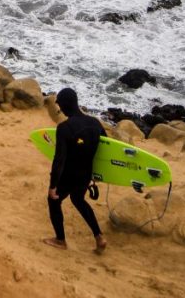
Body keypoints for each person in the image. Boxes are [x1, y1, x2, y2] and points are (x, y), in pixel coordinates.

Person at [43, 87, 107, 253]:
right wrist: (98, 174)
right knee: (78, 199)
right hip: (86, 174)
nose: (60, 109)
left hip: (69, 174)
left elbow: (59, 160)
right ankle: (99, 237)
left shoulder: (64, 128)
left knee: (53, 200)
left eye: (60, 106)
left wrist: (53, 186)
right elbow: (106, 148)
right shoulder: (95, 123)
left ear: (65, 105)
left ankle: (60, 240)